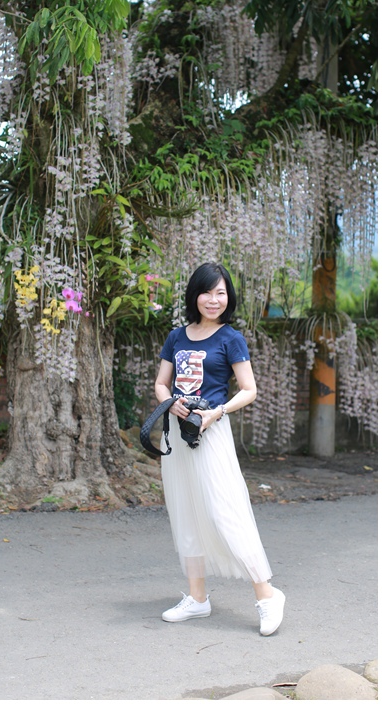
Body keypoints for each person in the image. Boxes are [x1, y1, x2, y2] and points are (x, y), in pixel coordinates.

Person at [153, 262, 285, 636]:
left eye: (221, 292)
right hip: (178, 433)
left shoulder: (231, 338)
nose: (214, 299)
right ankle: (197, 599)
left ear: (229, 297)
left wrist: (216, 412)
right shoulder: (177, 336)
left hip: (211, 432)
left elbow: (249, 389)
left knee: (226, 513)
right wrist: (170, 403)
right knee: (186, 512)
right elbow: (162, 383)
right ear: (195, 294)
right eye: (208, 292)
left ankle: (267, 595)